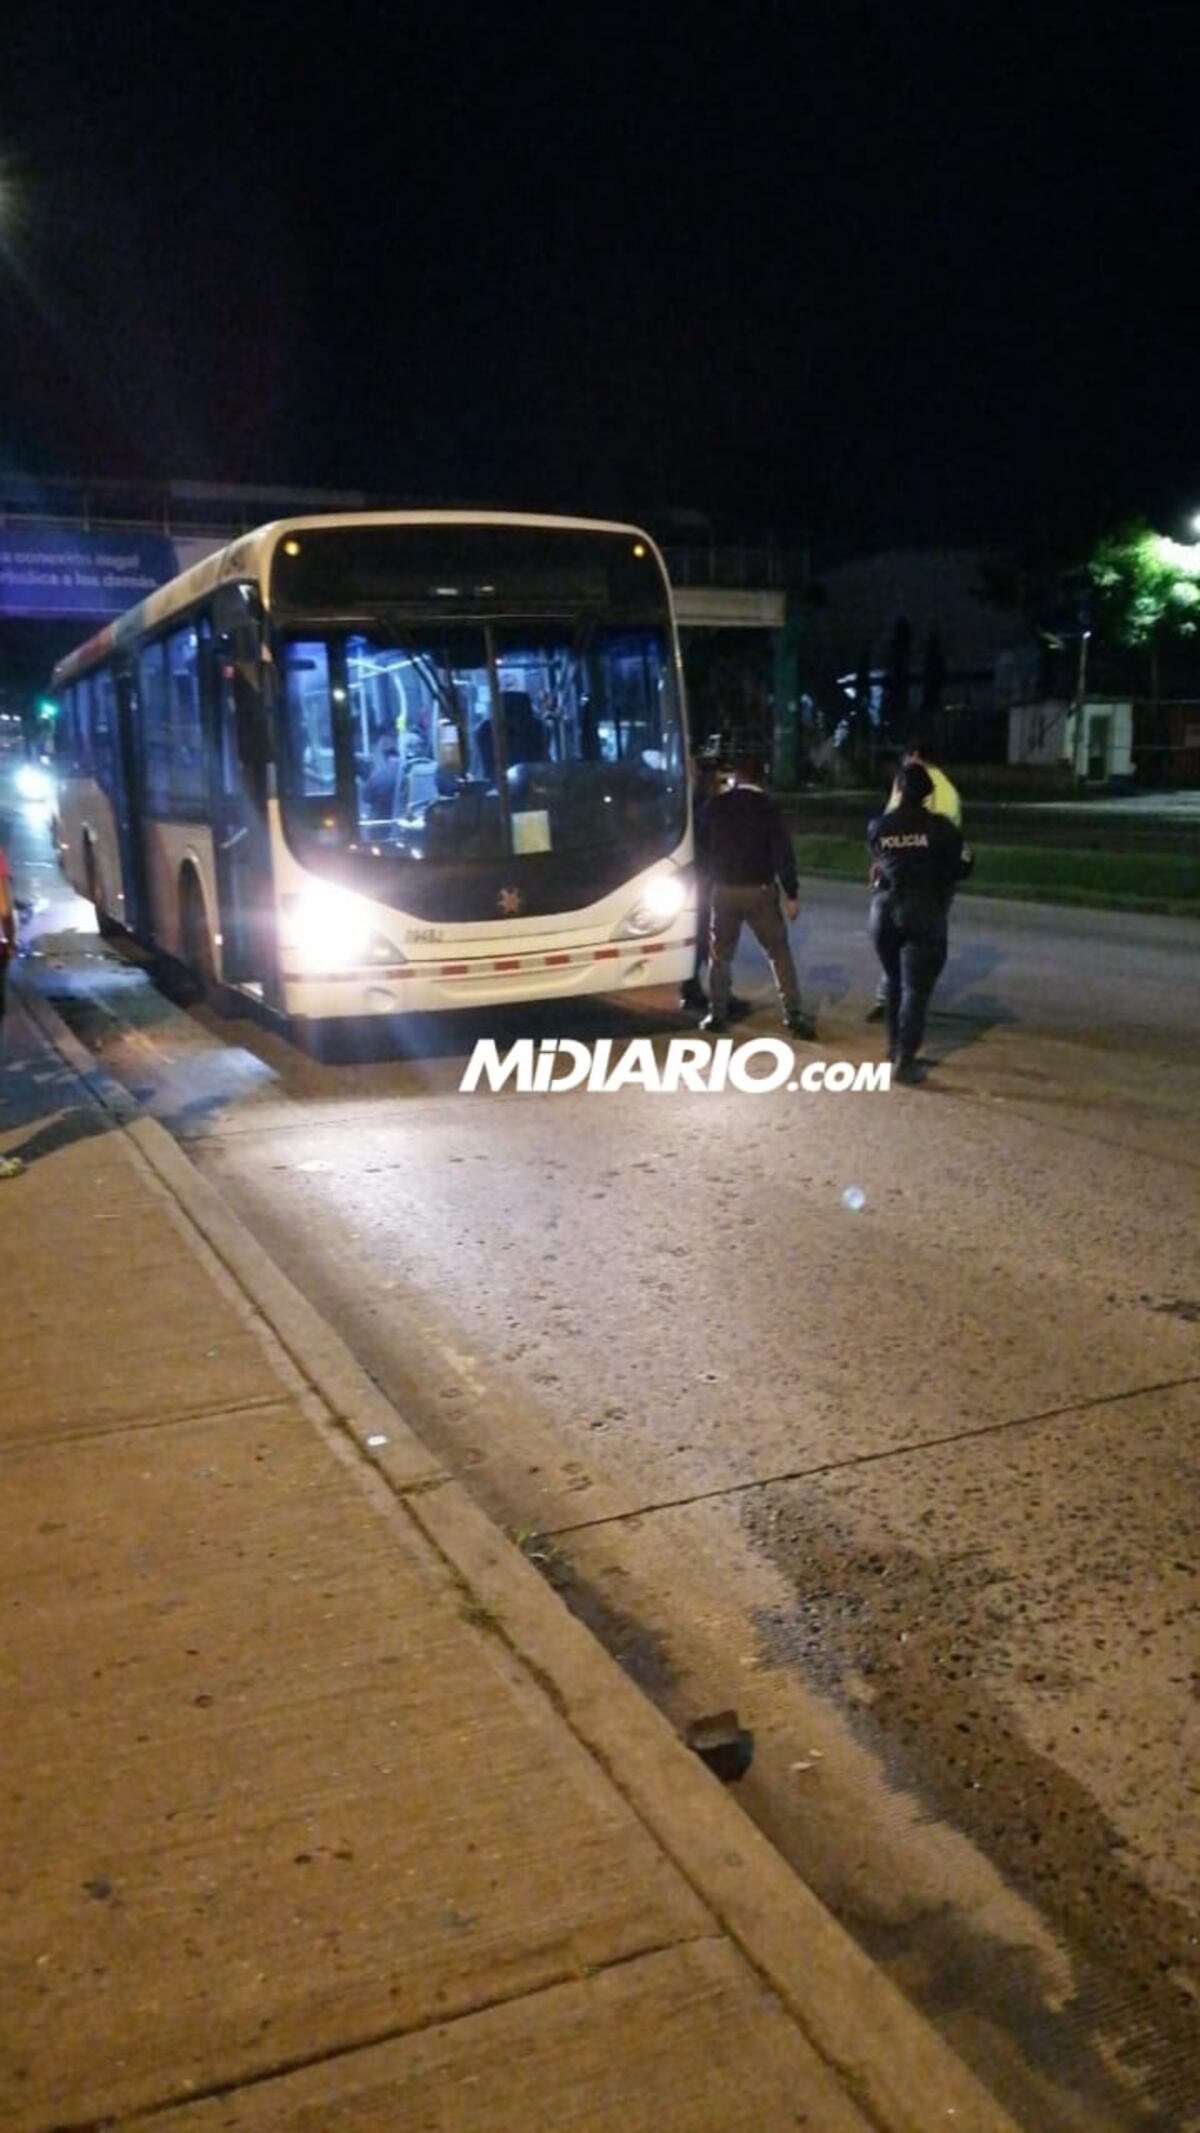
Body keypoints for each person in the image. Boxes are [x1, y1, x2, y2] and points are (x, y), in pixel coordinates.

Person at [866, 759, 973, 1084]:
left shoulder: (879, 826)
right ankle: (906, 1061)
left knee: (894, 979)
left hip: (884, 912)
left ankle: (893, 1047)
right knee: (916, 989)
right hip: (923, 911)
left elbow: (878, 863)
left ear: (899, 790)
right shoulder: (941, 828)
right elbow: (964, 865)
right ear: (927, 793)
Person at [700, 753, 816, 1038]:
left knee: (720, 954)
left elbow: (702, 844)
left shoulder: (716, 805)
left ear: (736, 777)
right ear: (761, 778)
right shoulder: (769, 807)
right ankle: (793, 1014)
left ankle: (717, 1013)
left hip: (724, 889)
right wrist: (792, 893)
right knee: (778, 953)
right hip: (760, 890)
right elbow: (782, 853)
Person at [866, 736, 963, 1021]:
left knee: (896, 940)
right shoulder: (947, 791)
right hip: (931, 883)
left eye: (907, 758)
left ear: (917, 755)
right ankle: (901, 1000)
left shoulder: (914, 784)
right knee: (920, 943)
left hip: (909, 880)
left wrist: (881, 862)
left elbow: (892, 826)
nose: (904, 764)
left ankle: (896, 1002)